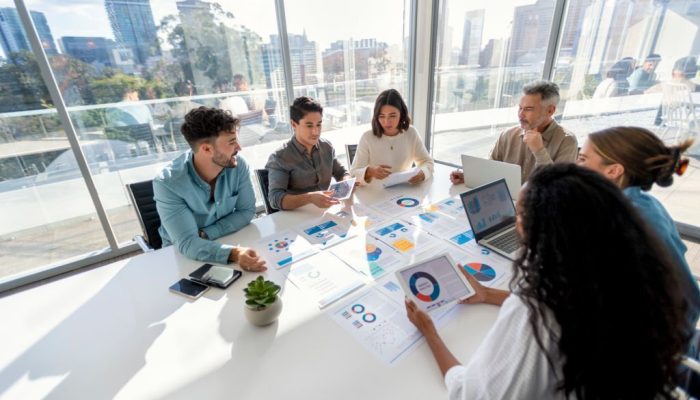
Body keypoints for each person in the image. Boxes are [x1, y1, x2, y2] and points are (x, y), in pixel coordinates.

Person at [406, 163, 689, 399]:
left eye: (519, 213)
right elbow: (567, 306)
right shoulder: (621, 275)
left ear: (546, 231)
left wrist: (429, 332)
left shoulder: (535, 312)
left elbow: (471, 393)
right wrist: (488, 294)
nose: (513, 219)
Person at [576, 126, 700, 325]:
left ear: (614, 170)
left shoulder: (621, 221)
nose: (575, 165)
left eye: (582, 159)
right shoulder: (645, 203)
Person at [153, 106, 266, 271]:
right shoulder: (167, 184)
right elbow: (188, 243)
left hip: (229, 239)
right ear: (206, 148)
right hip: (180, 256)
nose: (239, 148)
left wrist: (207, 234)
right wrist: (234, 253)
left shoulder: (238, 165)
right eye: (232, 142)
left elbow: (247, 211)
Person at [449, 80, 577, 184]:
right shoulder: (508, 135)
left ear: (550, 111)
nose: (521, 114)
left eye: (528, 109)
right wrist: (470, 176)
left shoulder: (567, 141)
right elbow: (490, 169)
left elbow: (559, 189)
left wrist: (539, 151)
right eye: (520, 108)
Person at [265, 96, 351, 210]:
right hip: (298, 217)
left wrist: (347, 183)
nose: (316, 131)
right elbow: (275, 199)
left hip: (326, 211)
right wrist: (309, 198)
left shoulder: (326, 147)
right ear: (294, 124)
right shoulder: (280, 157)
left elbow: (341, 172)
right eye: (309, 125)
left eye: (319, 124)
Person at [350, 89, 434, 185]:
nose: (387, 121)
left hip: (403, 191)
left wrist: (423, 173)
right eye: (382, 116)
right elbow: (353, 174)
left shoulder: (411, 133)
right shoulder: (367, 138)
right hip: (375, 195)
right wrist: (369, 172)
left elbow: (427, 162)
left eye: (392, 116)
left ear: (401, 114)